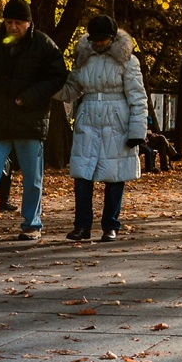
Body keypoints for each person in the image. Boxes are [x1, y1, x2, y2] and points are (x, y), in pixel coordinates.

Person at [0, 0, 69, 244]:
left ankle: (32, 224)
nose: (13, 27)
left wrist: (29, 97)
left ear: (29, 23)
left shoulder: (43, 45)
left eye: (18, 23)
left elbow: (58, 77)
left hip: (29, 122)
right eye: (9, 22)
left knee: (32, 177)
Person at [59, 14, 146, 241]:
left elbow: (137, 97)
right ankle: (82, 226)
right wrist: (48, 86)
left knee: (115, 175)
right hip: (88, 117)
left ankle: (110, 225)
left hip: (116, 120)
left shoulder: (127, 61)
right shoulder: (83, 59)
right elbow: (71, 90)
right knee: (82, 174)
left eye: (103, 40)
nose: (99, 44)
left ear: (112, 38)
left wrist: (137, 131)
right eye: (96, 40)